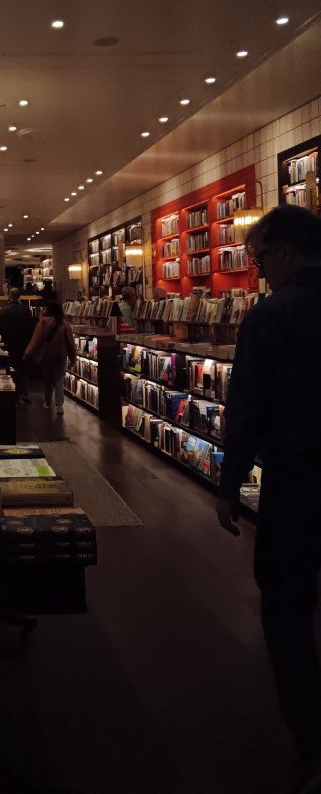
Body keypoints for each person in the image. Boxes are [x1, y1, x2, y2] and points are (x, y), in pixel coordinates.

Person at [216, 204, 321, 782]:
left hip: (298, 481)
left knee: (286, 607)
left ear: (283, 251)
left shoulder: (272, 316)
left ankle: (310, 741)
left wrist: (230, 487)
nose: (257, 274)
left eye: (257, 262)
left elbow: (248, 409)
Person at [24, 301, 76, 414]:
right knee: (59, 378)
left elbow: (36, 339)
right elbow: (70, 343)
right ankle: (59, 405)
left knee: (47, 379)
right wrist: (73, 358)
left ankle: (48, 403)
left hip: (47, 354)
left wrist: (28, 353)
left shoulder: (44, 322)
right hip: (62, 354)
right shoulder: (64, 323)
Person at [0, 287, 34, 402]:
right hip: (23, 345)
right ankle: (24, 394)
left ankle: (13, 394)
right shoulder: (26, 311)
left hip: (9, 346)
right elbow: (31, 329)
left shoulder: (3, 311)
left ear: (9, 296)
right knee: (23, 370)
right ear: (19, 296)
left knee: (12, 369)